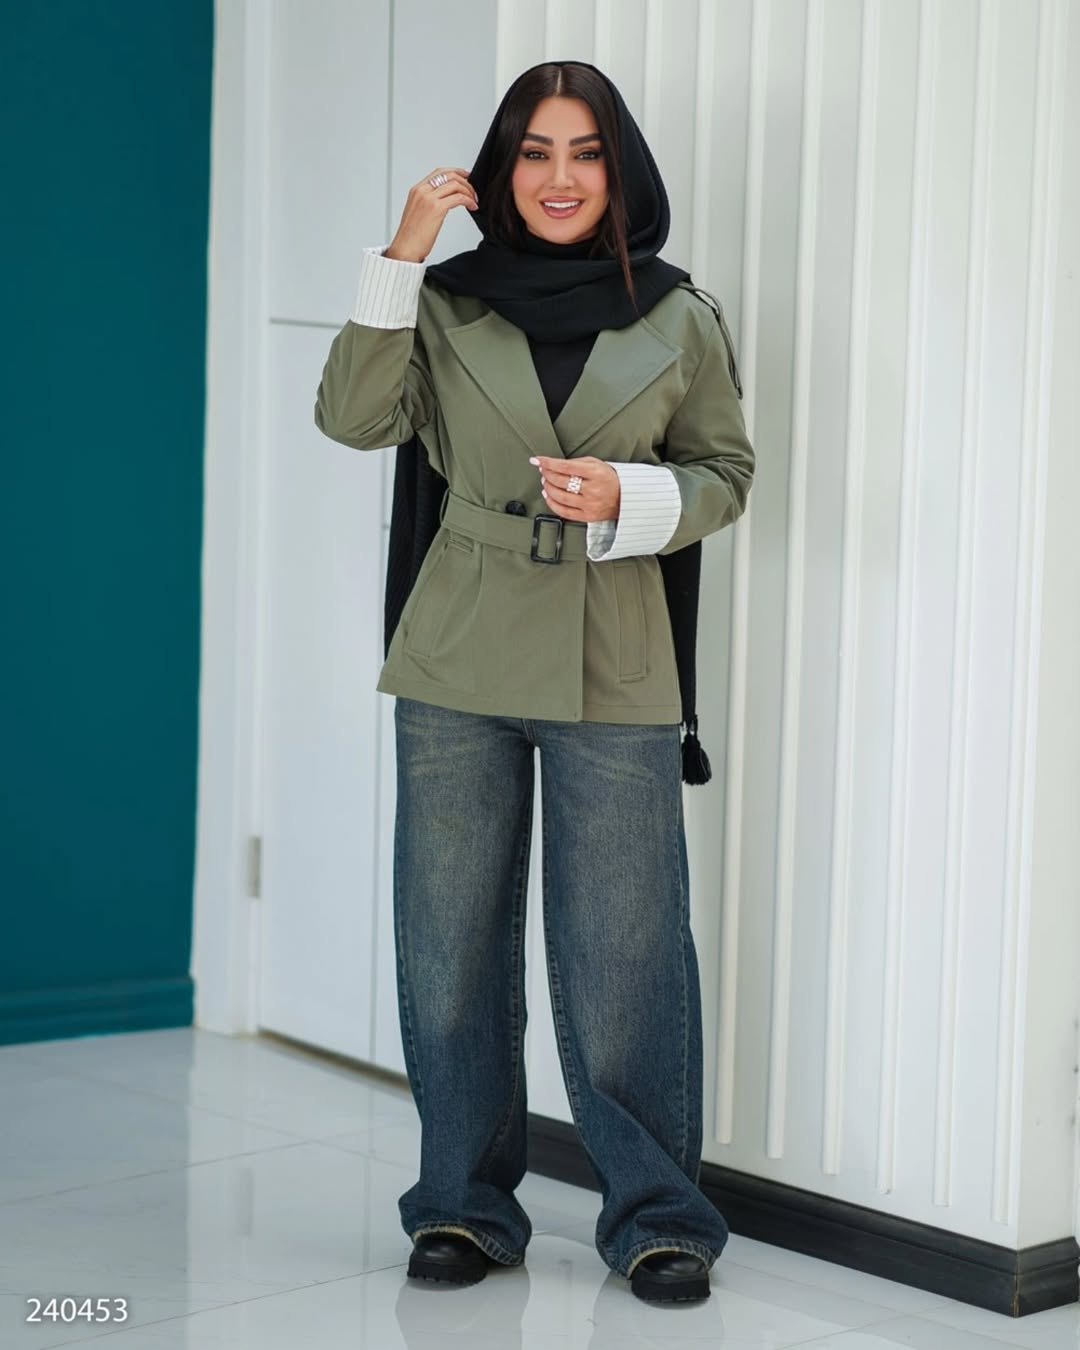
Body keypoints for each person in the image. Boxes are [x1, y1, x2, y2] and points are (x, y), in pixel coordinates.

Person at [314, 59, 755, 1305]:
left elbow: (726, 474)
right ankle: (462, 1206)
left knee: (627, 953)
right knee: (449, 944)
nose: (561, 177)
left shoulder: (681, 314)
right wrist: (404, 251)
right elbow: (352, 418)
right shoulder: (444, 301)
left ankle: (660, 1217)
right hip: (458, 650)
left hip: (616, 653)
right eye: (535, 152)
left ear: (622, 170)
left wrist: (632, 496)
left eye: (586, 152)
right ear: (500, 170)